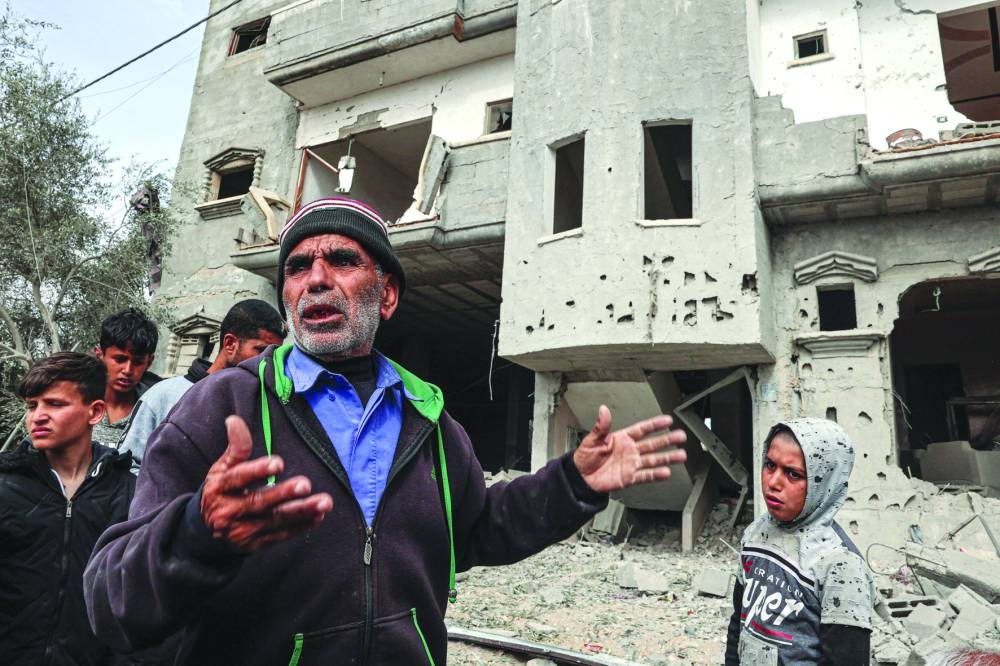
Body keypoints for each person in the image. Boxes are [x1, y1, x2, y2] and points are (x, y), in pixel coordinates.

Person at [84, 196, 689, 665]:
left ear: (388, 293)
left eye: (342, 260)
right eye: (297, 267)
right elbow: (110, 599)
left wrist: (573, 485)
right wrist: (196, 532)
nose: (315, 279)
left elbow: (478, 528)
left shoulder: (428, 418)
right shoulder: (222, 407)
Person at [0, 352, 135, 666]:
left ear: (95, 411)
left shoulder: (128, 493)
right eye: (32, 405)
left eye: (55, 404)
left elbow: (141, 595)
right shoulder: (7, 486)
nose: (38, 416)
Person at [724, 418, 874, 665]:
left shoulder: (840, 565)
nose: (773, 482)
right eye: (770, 465)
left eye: (793, 474)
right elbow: (738, 624)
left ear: (824, 481)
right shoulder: (755, 535)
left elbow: (846, 658)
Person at [118, 298, 285, 469]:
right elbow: (127, 468)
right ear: (230, 344)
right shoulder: (163, 397)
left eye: (274, 355)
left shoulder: (264, 407)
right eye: (261, 351)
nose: (268, 362)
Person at [91, 307, 160, 448]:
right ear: (100, 354)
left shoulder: (157, 413)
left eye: (137, 362)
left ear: (149, 362)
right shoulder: (78, 402)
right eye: (119, 359)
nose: (128, 370)